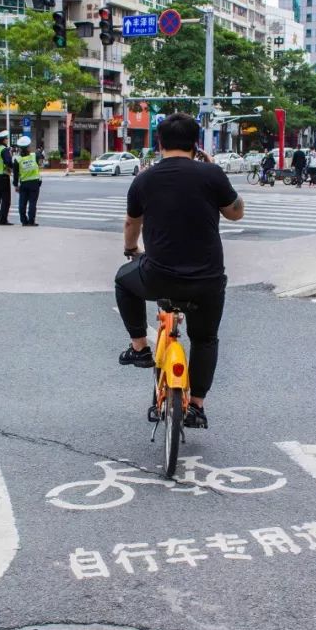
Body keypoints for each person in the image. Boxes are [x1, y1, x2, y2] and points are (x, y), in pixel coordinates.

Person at [114, 113, 244, 428]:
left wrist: (132, 250)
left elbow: (132, 223)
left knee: (123, 280)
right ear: (196, 143)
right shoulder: (211, 174)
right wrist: (213, 169)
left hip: (160, 276)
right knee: (205, 338)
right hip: (208, 280)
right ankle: (196, 406)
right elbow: (236, 213)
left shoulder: (144, 179)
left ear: (159, 143)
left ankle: (140, 348)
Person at [13, 135, 41, 226]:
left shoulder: (17, 159)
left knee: (22, 203)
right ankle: (31, 221)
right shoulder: (34, 156)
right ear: (28, 147)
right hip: (34, 183)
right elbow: (39, 155)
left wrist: (16, 185)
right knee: (32, 203)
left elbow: (16, 174)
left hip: (24, 183)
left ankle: (24, 221)